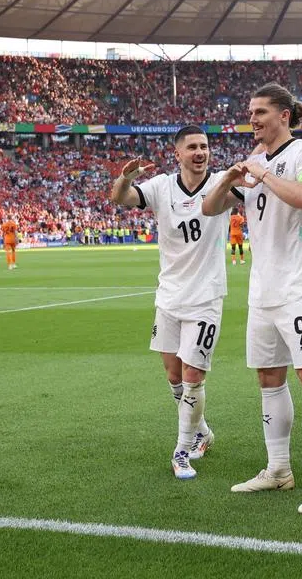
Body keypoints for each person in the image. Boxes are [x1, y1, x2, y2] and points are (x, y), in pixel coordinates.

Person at [202, 82, 302, 514]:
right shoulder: (255, 161)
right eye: (251, 111)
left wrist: (262, 174)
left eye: (260, 111)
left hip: (301, 286)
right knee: (268, 378)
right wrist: (228, 179)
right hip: (263, 289)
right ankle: (279, 469)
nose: (253, 119)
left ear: (284, 115)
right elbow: (209, 208)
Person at [111, 125, 230, 480]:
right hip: (169, 297)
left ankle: (181, 451)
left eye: (204, 146)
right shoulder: (162, 186)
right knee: (174, 376)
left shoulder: (221, 183)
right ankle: (202, 432)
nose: (200, 152)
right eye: (192, 147)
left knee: (193, 375)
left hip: (206, 297)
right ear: (177, 154)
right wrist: (125, 177)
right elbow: (121, 197)